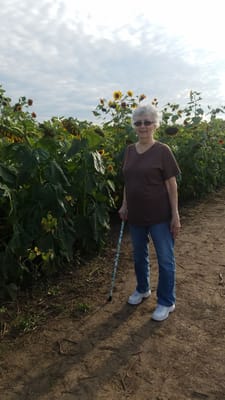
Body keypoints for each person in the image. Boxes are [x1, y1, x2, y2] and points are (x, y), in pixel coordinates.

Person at [119, 104, 181, 321]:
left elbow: (172, 185)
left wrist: (175, 214)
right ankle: (143, 289)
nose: (143, 126)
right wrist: (125, 204)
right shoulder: (129, 151)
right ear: (134, 126)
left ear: (155, 124)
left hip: (159, 216)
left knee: (165, 259)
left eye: (147, 122)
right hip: (135, 215)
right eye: (138, 123)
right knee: (139, 257)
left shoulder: (163, 151)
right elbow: (128, 181)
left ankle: (166, 301)